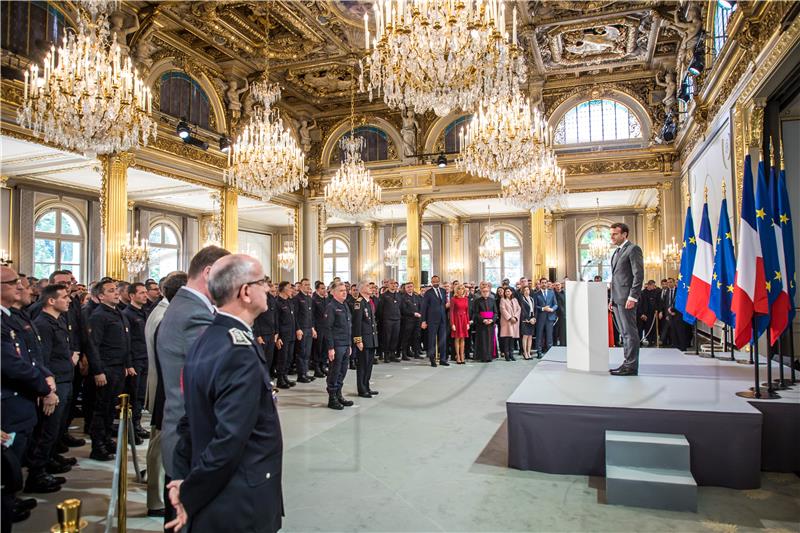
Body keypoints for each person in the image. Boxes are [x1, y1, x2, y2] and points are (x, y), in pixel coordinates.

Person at [166, 254, 283, 533]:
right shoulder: (237, 351)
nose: (267, 288)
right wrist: (189, 494)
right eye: (262, 282)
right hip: (239, 499)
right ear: (245, 292)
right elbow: (229, 439)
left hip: (217, 492)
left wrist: (184, 478)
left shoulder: (209, 337)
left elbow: (189, 422)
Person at [157, 245, 230, 528]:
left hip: (186, 430)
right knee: (189, 521)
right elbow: (216, 377)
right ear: (209, 273)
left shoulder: (189, 307)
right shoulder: (193, 314)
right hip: (191, 437)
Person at [1, 266, 53, 522]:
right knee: (6, 469)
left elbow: (30, 356)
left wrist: (44, 377)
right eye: (14, 283)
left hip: (20, 401)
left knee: (12, 467)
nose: (22, 288)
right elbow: (12, 364)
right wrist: (44, 386)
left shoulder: (10, 317)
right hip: (8, 403)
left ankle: (9, 503)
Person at [144, 271, 188, 519]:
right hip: (166, 388)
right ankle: (156, 498)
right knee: (161, 445)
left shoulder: (164, 312)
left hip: (163, 386)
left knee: (159, 442)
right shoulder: (165, 317)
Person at [27, 284, 78, 493]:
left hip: (66, 378)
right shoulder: (44, 324)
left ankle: (49, 460)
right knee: (47, 431)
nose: (69, 300)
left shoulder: (58, 320)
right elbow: (43, 359)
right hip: (55, 383)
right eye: (65, 297)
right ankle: (37, 474)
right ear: (51, 301)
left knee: (56, 428)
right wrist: (48, 389)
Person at [608, 222, 644, 376]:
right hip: (617, 299)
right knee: (624, 333)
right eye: (611, 234)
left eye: (615, 234)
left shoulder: (633, 249)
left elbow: (638, 275)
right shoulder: (616, 252)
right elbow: (615, 278)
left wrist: (633, 297)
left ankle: (631, 366)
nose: (612, 236)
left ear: (624, 234)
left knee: (630, 333)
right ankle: (626, 363)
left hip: (627, 299)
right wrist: (611, 300)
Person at [122, 282, 149, 443]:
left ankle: (137, 425)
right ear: (132, 296)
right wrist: (129, 363)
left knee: (140, 395)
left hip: (144, 358)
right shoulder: (127, 314)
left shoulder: (144, 312)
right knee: (133, 394)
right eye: (141, 293)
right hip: (135, 360)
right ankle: (131, 429)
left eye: (146, 293)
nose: (145, 295)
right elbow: (127, 341)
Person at [322, 282, 353, 410]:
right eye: (341, 290)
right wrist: (330, 348)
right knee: (334, 371)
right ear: (333, 293)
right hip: (336, 345)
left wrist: (349, 344)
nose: (344, 292)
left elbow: (348, 327)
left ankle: (339, 394)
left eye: (345, 290)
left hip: (345, 344)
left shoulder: (345, 305)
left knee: (343, 371)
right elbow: (327, 328)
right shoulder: (331, 307)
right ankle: (332, 398)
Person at [351, 281, 379, 398]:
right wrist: (358, 340)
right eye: (368, 286)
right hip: (364, 339)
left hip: (371, 338)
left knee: (369, 365)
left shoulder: (368, 302)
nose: (371, 288)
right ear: (362, 289)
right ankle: (361, 389)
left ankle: (366, 386)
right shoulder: (359, 303)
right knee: (363, 365)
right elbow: (357, 324)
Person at [421, 275, 449, 367]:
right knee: (432, 340)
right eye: (434, 281)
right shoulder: (428, 293)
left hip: (442, 319)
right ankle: (432, 359)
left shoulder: (443, 291)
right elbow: (424, 307)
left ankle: (443, 359)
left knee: (443, 339)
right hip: (432, 319)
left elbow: (444, 305)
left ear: (439, 281)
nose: (435, 283)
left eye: (437, 281)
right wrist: (423, 320)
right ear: (431, 282)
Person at [274, 281, 298, 389]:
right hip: (283, 335)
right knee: (282, 358)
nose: (292, 290)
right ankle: (280, 379)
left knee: (289, 357)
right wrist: (278, 337)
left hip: (291, 333)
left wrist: (298, 329)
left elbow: (294, 318)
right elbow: (276, 321)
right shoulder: (277, 302)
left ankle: (285, 377)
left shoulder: (290, 301)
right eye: (289, 288)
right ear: (283, 289)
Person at [294, 278, 317, 383]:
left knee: (307, 352)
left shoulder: (309, 299)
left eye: (309, 284)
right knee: (301, 352)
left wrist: (312, 328)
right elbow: (296, 316)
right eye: (305, 284)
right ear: (301, 286)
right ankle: (301, 374)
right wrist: (298, 328)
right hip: (302, 329)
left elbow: (311, 316)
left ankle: (305, 372)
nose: (308, 286)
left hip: (309, 328)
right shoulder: (297, 298)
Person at [471, 282, 497, 362]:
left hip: (490, 323)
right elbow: (476, 313)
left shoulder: (492, 300)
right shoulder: (477, 301)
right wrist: (483, 320)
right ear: (481, 292)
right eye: (484, 292)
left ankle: (489, 356)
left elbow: (495, 312)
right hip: (481, 323)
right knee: (483, 340)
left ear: (489, 292)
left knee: (490, 340)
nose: (485, 293)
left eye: (487, 291)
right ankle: (483, 357)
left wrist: (492, 320)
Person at [377, 280, 401, 362]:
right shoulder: (384, 296)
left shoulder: (398, 295)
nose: (393, 285)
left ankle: (392, 354)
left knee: (395, 338)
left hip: (397, 319)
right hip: (387, 320)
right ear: (388, 285)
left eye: (395, 283)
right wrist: (383, 318)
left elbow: (400, 307)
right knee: (387, 338)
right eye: (391, 283)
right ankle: (386, 355)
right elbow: (380, 309)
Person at [534, 281, 558, 358]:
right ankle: (539, 352)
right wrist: (542, 308)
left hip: (550, 317)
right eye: (542, 283)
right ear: (540, 284)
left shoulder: (552, 293)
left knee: (549, 335)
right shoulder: (536, 294)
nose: (544, 284)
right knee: (539, 335)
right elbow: (535, 306)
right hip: (540, 317)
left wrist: (552, 309)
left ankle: (549, 352)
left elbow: (556, 304)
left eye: (545, 282)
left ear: (547, 284)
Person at [400, 282, 422, 360]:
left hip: (417, 320)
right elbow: (403, 310)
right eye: (408, 287)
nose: (410, 288)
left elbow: (420, 307)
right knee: (406, 338)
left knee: (416, 337)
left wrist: (420, 314)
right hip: (408, 320)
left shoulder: (416, 297)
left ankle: (416, 353)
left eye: (411, 287)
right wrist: (413, 314)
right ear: (405, 289)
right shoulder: (403, 297)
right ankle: (404, 354)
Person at [311, 281, 329, 377]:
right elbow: (312, 315)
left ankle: (323, 366)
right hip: (318, 327)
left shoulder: (326, 299)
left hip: (326, 327)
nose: (324, 290)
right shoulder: (314, 300)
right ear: (317, 289)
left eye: (324, 288)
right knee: (318, 348)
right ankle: (317, 368)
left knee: (325, 348)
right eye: (322, 288)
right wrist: (313, 328)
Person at [449, 284, 470, 364]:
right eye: (459, 289)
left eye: (462, 289)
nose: (460, 290)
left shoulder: (465, 299)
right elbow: (451, 312)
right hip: (456, 319)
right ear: (456, 290)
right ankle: (457, 356)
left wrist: (468, 323)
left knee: (463, 338)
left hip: (464, 319)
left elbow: (467, 312)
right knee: (457, 338)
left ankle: (462, 356)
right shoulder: (453, 299)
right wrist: (452, 324)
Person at [499, 287, 521, 361]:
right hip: (507, 321)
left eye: (508, 291)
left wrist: (515, 317)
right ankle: (506, 355)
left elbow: (519, 309)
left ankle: (511, 354)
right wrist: (510, 317)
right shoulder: (503, 300)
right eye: (506, 292)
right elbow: (502, 310)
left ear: (511, 292)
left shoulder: (515, 300)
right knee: (506, 339)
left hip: (514, 321)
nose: (507, 293)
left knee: (512, 339)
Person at [518, 286, 536, 359]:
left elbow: (534, 310)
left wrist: (534, 318)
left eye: (528, 289)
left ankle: (529, 352)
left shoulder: (531, 299)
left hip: (532, 318)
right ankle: (525, 353)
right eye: (525, 290)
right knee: (525, 336)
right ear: (523, 291)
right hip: (525, 319)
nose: (526, 291)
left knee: (530, 336)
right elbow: (523, 310)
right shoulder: (521, 299)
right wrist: (528, 319)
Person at [553, 282, 567, 346]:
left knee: (563, 330)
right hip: (555, 315)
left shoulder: (565, 293)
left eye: (558, 285)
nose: (557, 286)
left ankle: (563, 344)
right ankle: (555, 345)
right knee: (555, 331)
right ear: (554, 287)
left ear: (561, 285)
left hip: (563, 314)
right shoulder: (553, 294)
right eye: (556, 285)